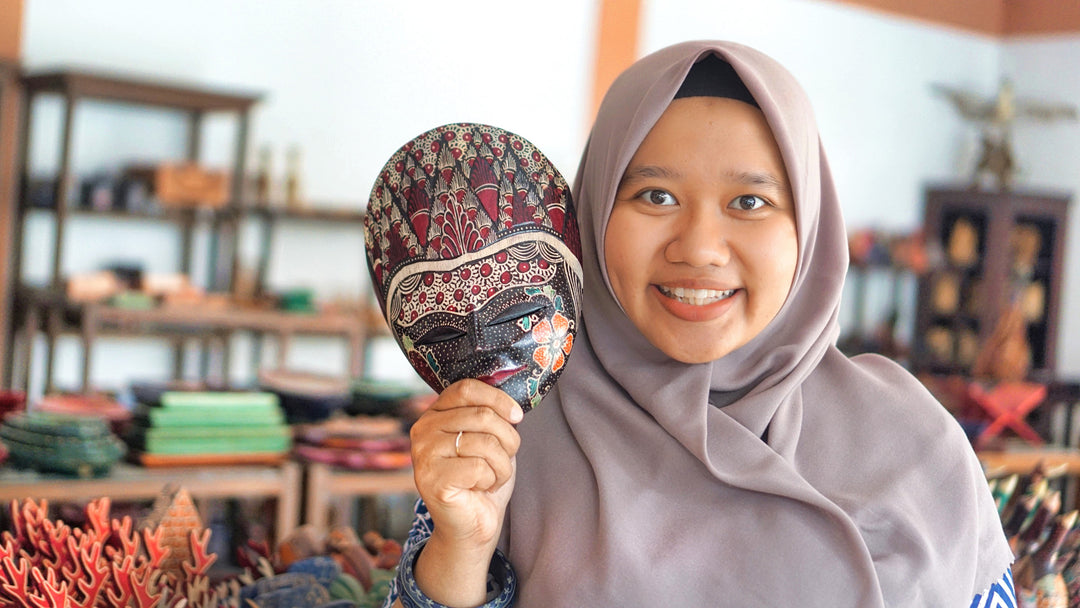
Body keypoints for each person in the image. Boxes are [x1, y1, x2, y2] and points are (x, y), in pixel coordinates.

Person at [380, 40, 1015, 607]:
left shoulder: (914, 443)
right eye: (656, 196)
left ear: (810, 228)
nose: (701, 247)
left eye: (750, 202)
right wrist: (462, 546)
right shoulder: (515, 427)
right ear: (596, 209)